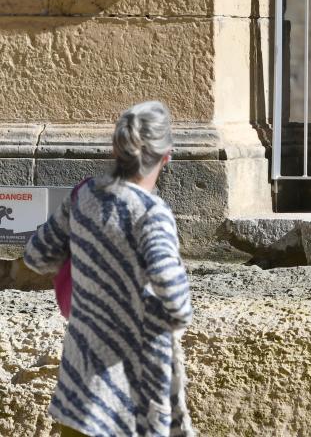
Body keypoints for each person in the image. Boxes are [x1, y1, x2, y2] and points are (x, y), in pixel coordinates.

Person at [24, 101, 194, 437]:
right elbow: (175, 298)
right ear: (166, 156)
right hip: (132, 393)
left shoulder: (84, 195)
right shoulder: (151, 213)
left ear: (116, 149)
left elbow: (36, 255)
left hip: (80, 383)